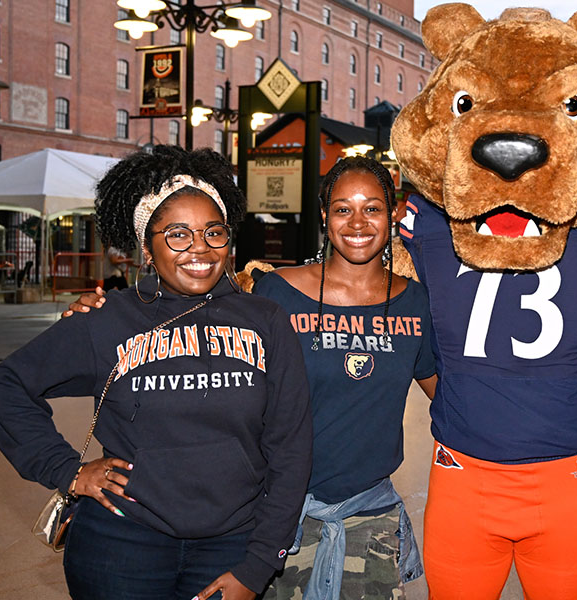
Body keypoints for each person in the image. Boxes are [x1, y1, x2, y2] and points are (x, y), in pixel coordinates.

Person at [66, 156, 438, 600]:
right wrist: (99, 313)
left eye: (372, 208)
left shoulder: (415, 303)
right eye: (342, 208)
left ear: (392, 213)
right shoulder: (274, 292)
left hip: (367, 514)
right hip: (275, 514)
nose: (357, 221)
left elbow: (453, 399)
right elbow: (191, 318)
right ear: (324, 216)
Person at [0, 145, 313, 600]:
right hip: (120, 544)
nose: (199, 248)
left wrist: (259, 564)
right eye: (178, 234)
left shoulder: (265, 320)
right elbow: (9, 385)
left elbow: (291, 448)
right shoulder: (107, 319)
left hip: (231, 543)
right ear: (146, 247)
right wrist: (67, 470)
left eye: (213, 232)